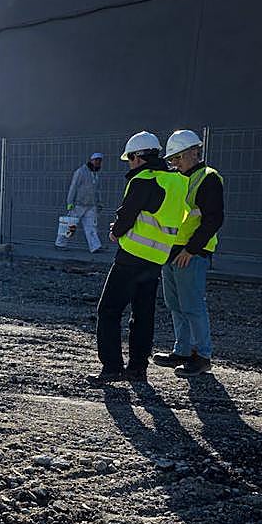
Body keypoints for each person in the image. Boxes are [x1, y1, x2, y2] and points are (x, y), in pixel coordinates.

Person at [89, 131, 188, 385]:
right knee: (143, 315)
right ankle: (137, 370)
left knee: (109, 310)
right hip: (157, 257)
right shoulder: (177, 181)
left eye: (130, 159)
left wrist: (115, 231)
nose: (130, 164)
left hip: (132, 255)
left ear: (138, 157)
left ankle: (112, 368)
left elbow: (128, 214)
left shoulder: (143, 179)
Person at [153, 129, 224, 377]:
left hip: (192, 253)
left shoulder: (208, 178)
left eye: (179, 158)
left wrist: (191, 250)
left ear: (194, 152)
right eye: (173, 159)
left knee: (192, 305)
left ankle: (201, 356)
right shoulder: (179, 178)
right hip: (172, 251)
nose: (175, 163)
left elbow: (213, 219)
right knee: (175, 304)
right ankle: (182, 350)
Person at [56, 152, 104, 252]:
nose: (97, 162)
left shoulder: (95, 174)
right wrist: (70, 202)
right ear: (91, 160)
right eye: (96, 160)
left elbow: (97, 190)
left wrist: (98, 203)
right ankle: (60, 244)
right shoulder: (81, 172)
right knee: (69, 225)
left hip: (91, 206)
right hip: (78, 204)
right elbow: (73, 187)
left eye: (99, 161)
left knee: (91, 227)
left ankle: (95, 247)